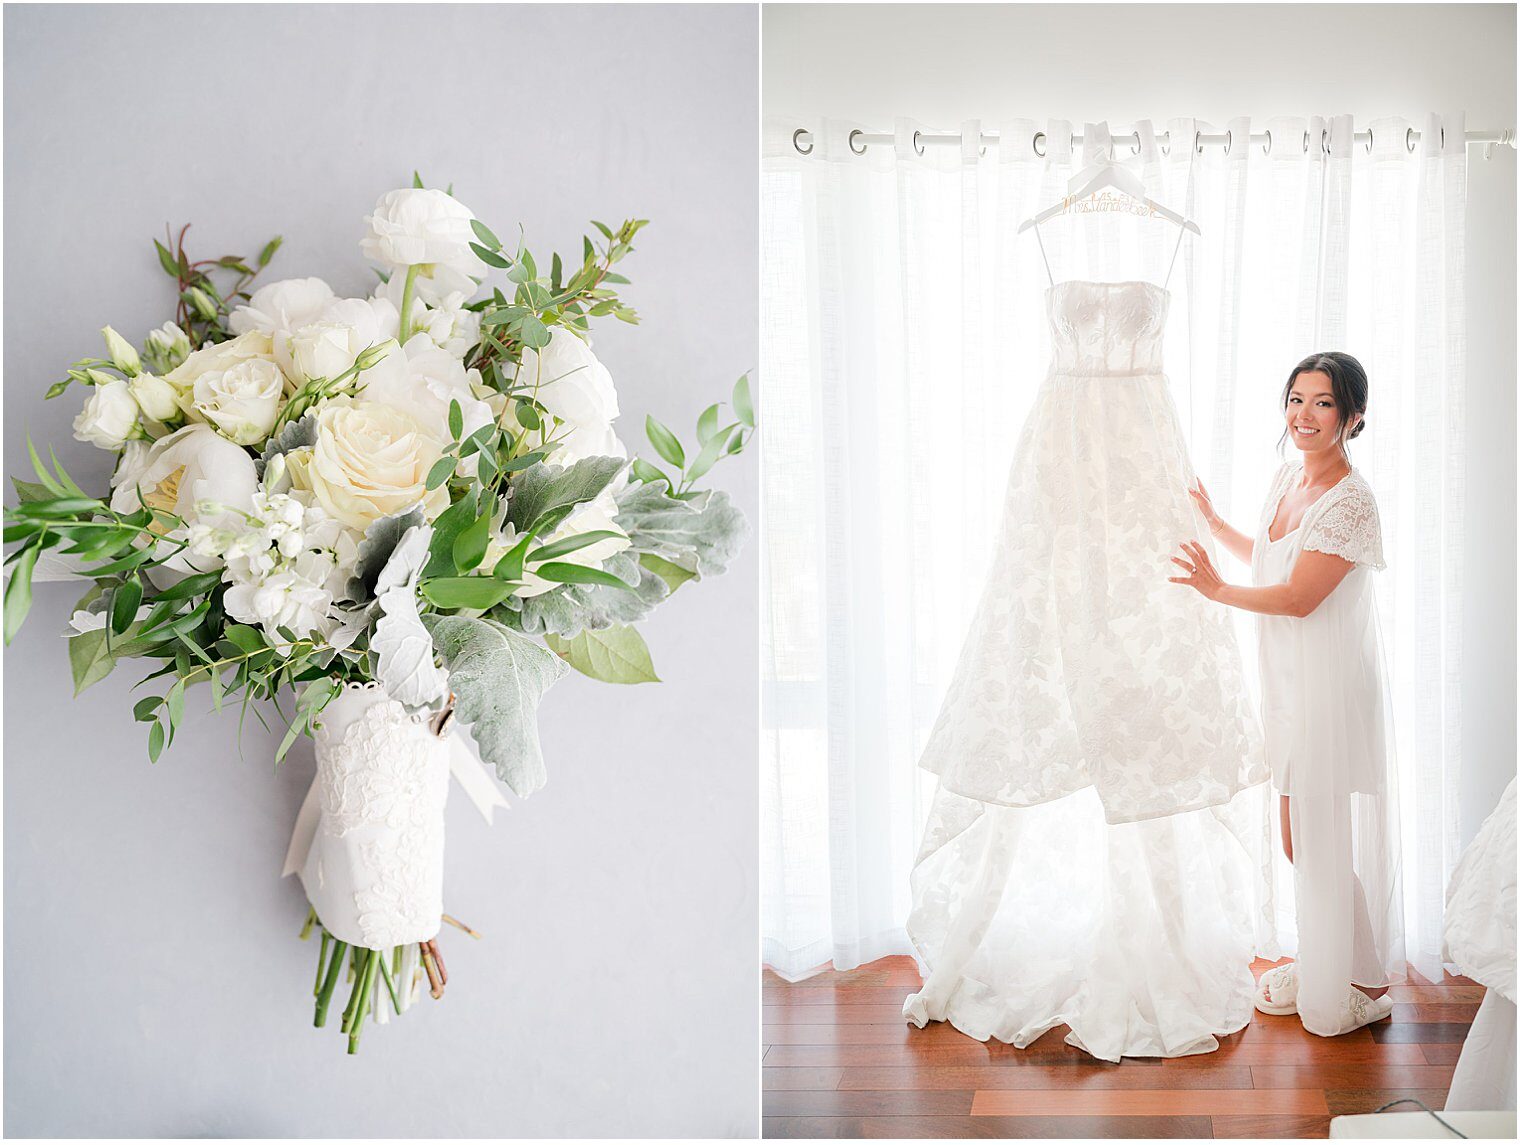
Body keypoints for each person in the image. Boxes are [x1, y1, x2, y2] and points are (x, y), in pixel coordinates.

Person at [1168, 350, 1403, 1036]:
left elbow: (1300, 596)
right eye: (1296, 399)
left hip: (1327, 693)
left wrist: (1216, 590)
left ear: (1352, 416)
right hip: (1290, 690)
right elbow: (1275, 558)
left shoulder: (1352, 501)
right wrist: (1217, 527)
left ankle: (1352, 990)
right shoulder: (1286, 479)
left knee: (1316, 841)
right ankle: (1352, 966)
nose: (1304, 414)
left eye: (1323, 402)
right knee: (1304, 842)